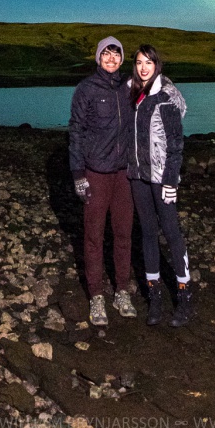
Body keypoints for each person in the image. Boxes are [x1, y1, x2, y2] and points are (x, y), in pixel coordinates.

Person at [68, 37, 137, 326]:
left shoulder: (129, 88)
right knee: (94, 236)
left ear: (122, 59)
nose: (111, 59)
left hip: (124, 174)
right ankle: (96, 296)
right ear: (98, 58)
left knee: (123, 235)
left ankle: (122, 291)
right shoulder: (86, 89)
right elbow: (76, 131)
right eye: (106, 55)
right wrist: (78, 175)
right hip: (96, 172)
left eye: (116, 55)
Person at [127, 44, 193, 327]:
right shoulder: (132, 94)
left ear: (157, 65)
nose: (144, 67)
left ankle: (184, 297)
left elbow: (176, 145)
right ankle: (154, 298)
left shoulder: (165, 97)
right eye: (139, 62)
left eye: (149, 63)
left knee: (172, 233)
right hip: (137, 176)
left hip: (161, 178)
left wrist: (171, 180)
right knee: (148, 234)